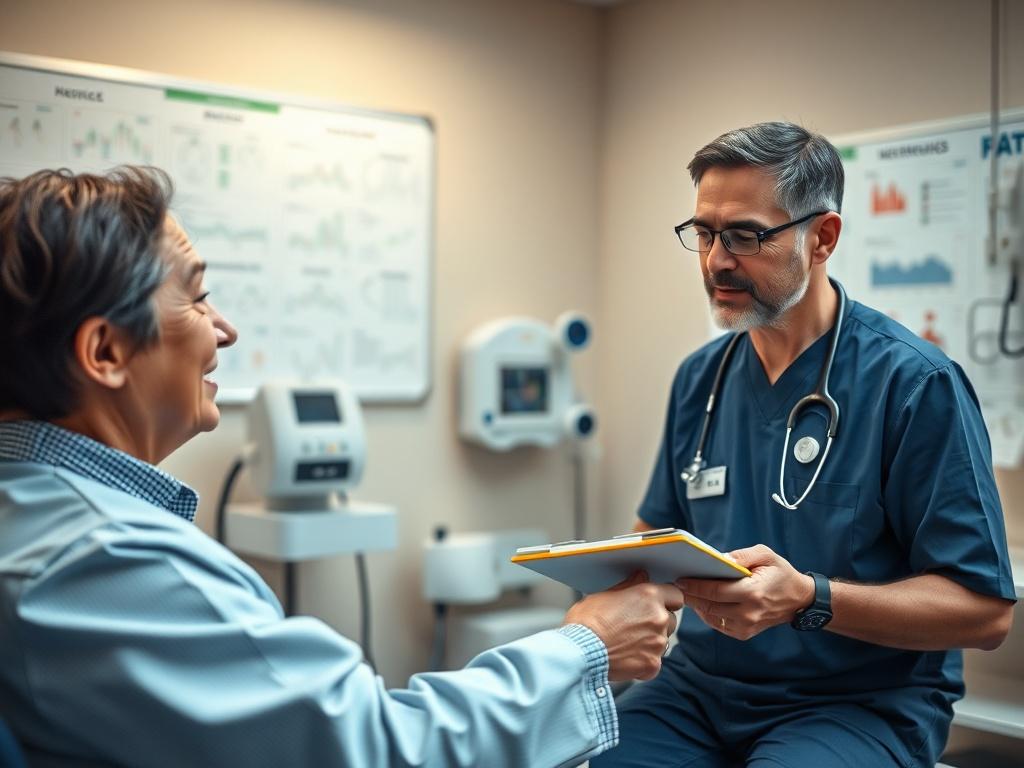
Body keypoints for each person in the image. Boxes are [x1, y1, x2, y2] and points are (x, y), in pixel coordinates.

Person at [0, 167, 686, 768]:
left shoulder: (34, 515)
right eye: (198, 298)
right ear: (106, 353)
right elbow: (377, 750)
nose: (225, 329)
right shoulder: (109, 560)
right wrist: (588, 646)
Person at [592, 122, 1017, 768]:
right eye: (704, 234)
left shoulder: (914, 386)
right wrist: (601, 601)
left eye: (745, 236)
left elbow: (984, 613)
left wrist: (811, 598)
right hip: (698, 692)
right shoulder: (699, 380)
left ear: (823, 238)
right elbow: (655, 537)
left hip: (856, 703)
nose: (716, 261)